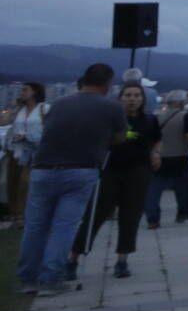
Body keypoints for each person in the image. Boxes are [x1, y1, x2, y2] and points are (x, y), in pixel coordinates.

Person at [15, 65, 119, 293]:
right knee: (64, 226)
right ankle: (50, 278)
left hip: (43, 168)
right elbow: (119, 137)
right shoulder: (111, 106)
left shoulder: (59, 104)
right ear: (107, 84)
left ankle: (27, 278)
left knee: (35, 225)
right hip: (80, 170)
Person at [84, 82, 162, 278]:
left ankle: (122, 260)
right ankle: (75, 255)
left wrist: (156, 153)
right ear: (120, 98)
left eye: (137, 95)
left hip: (138, 172)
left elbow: (157, 139)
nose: (132, 99)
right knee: (96, 214)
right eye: (128, 95)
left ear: (142, 99)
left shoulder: (150, 120)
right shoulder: (111, 119)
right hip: (111, 171)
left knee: (131, 217)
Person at [144, 91, 188, 227]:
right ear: (180, 103)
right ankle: (182, 213)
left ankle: (153, 219)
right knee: (182, 188)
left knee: (153, 190)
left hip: (159, 158)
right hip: (180, 157)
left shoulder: (156, 117)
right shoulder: (185, 116)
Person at [5, 82, 46, 227]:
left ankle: (23, 216)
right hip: (16, 151)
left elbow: (47, 132)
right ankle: (14, 214)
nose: (22, 92)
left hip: (33, 153)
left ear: (34, 92)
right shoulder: (20, 110)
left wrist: (27, 136)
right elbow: (8, 123)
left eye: (25, 90)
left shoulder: (44, 109)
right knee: (13, 184)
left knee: (25, 183)